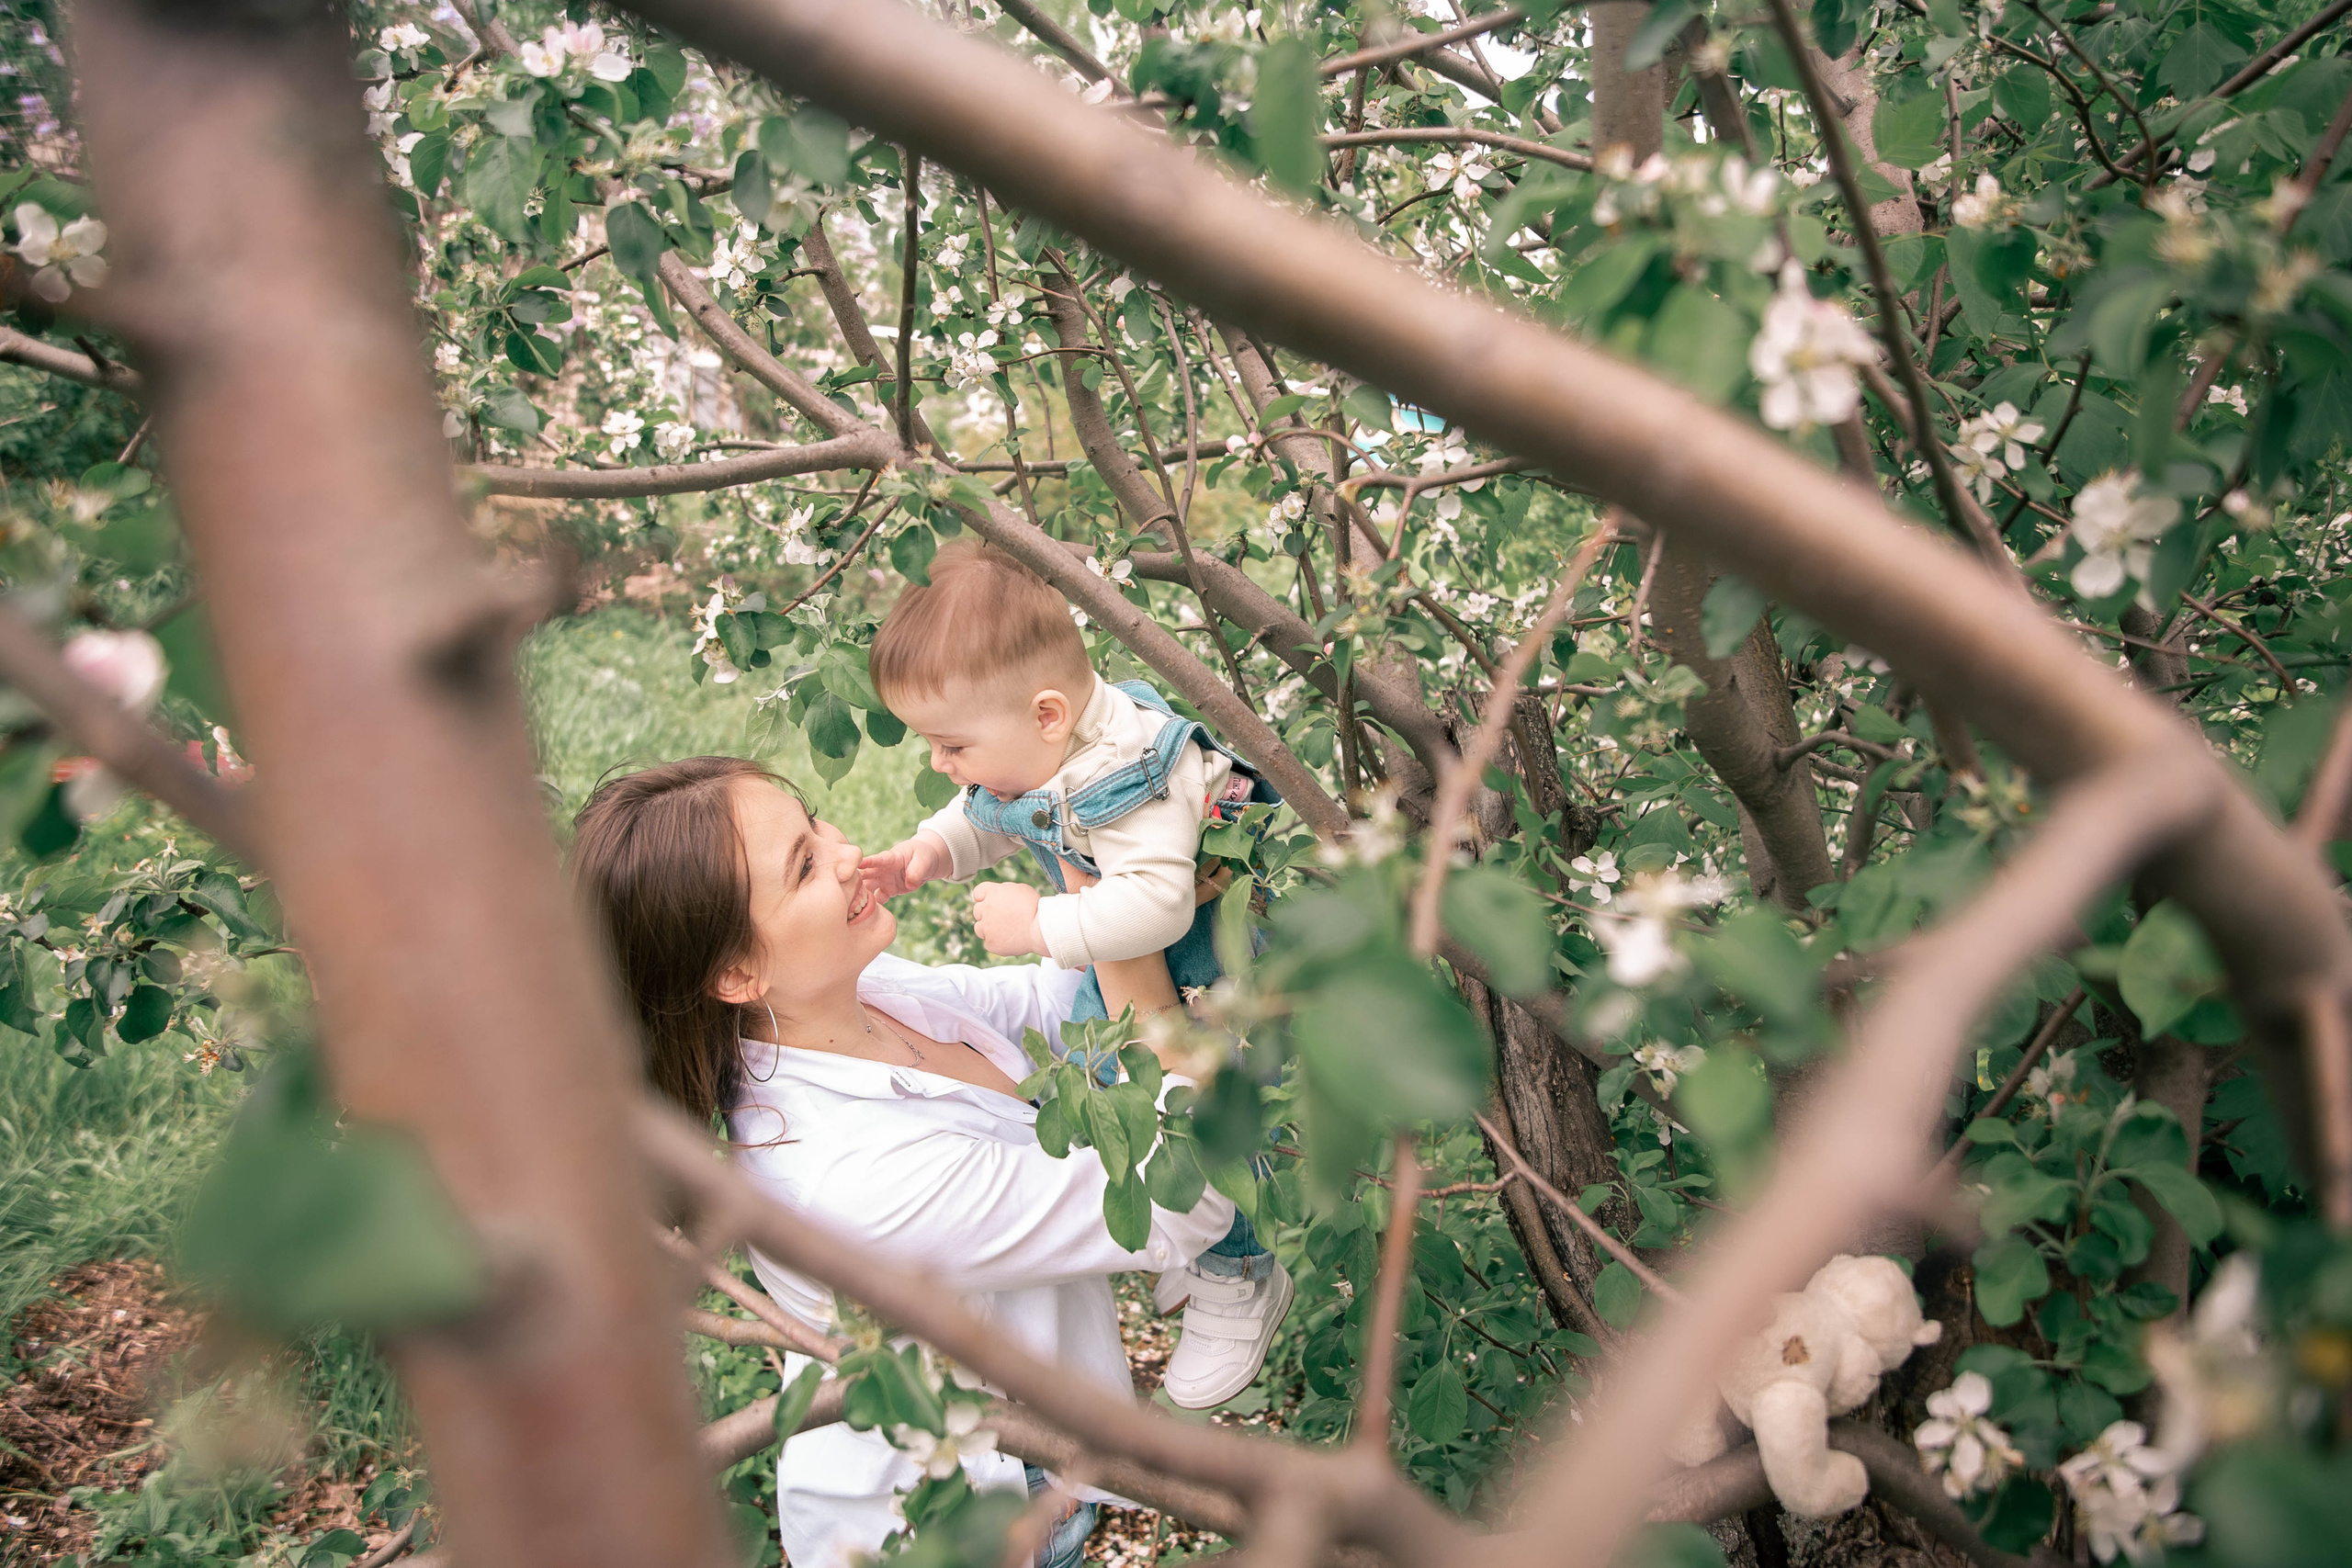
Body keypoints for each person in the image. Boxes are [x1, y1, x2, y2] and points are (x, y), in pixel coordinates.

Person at [569, 757, 1240, 1568]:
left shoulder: (840, 996)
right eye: (804, 866)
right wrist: (1101, 908)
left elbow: (1049, 1010)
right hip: (972, 1516)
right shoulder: (848, 1178)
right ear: (739, 974)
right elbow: (1187, 1197)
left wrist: (1120, 905)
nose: (847, 852)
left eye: (815, 823)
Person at [856, 540, 1289, 1408]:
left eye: (951, 744)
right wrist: (933, 850)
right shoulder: (1052, 743)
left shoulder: (1131, 780)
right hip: (1138, 966)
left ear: (1047, 715)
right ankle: (1195, 1233)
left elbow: (1158, 905)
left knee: (1212, 1111)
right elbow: (998, 808)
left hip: (1215, 977)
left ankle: (1241, 1267)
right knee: (1117, 1078)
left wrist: (1040, 924)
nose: (940, 762)